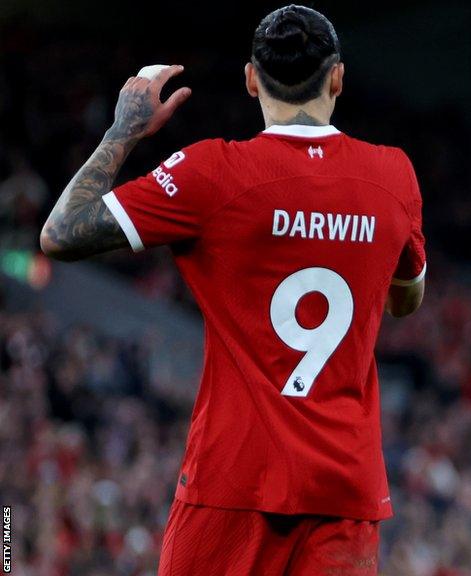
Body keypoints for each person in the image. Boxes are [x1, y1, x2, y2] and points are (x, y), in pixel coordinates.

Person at [40, 5, 426, 574]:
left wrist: (124, 129)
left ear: (251, 79)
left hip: (232, 484)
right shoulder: (394, 175)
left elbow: (59, 234)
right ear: (338, 77)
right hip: (344, 491)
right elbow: (406, 300)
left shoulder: (212, 174)